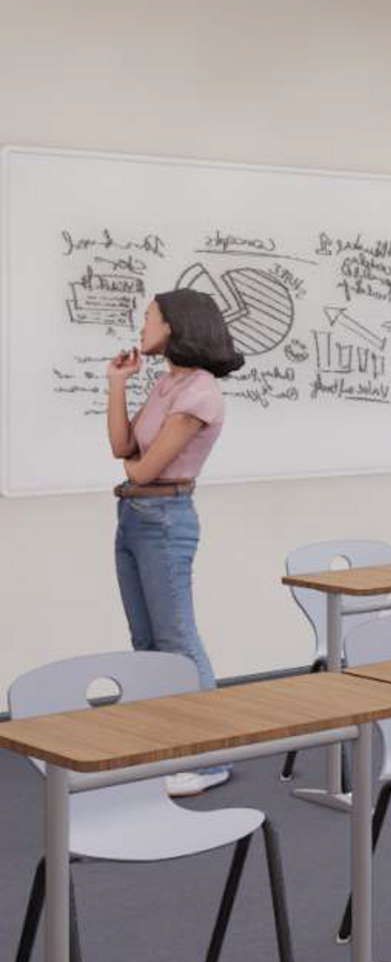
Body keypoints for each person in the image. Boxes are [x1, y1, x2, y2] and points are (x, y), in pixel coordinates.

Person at [105, 289, 244, 797]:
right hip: (133, 515)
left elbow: (143, 466)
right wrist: (117, 384)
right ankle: (164, 749)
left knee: (178, 642)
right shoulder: (168, 383)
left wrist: (134, 467)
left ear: (176, 326)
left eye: (149, 318)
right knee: (146, 643)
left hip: (165, 518)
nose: (142, 327)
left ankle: (207, 761)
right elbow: (122, 447)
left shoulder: (200, 392)